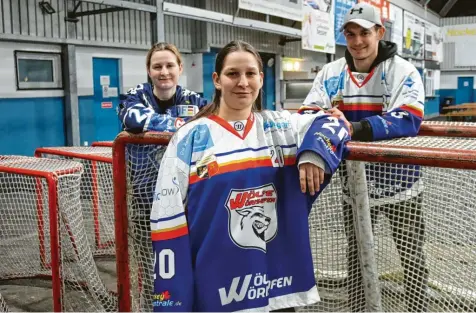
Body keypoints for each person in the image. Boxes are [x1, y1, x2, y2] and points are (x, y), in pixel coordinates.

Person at [150, 40, 351, 312]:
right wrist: (171, 302)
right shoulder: (190, 137)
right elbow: (166, 221)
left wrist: (314, 153)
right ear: (217, 80)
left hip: (276, 287)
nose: (242, 82)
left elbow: (334, 122)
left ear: (260, 78)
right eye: (233, 73)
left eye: (250, 74)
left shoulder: (281, 126)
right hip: (217, 289)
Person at [303, 3, 428, 312]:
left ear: (379, 33)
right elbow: (308, 112)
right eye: (350, 34)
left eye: (364, 33)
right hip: (354, 189)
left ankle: (417, 308)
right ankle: (358, 309)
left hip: (402, 186)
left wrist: (353, 127)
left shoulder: (403, 70)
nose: (357, 41)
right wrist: (329, 120)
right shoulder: (331, 73)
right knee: (357, 256)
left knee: (411, 256)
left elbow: (409, 118)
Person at [118, 42, 207, 310]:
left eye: (170, 65)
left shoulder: (194, 100)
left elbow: (209, 125)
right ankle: (156, 306)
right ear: (149, 70)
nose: (164, 72)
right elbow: (132, 120)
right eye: (157, 66)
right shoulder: (135, 96)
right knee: (152, 264)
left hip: (187, 199)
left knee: (191, 257)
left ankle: (193, 303)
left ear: (180, 68)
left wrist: (162, 125)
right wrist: (179, 126)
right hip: (146, 198)